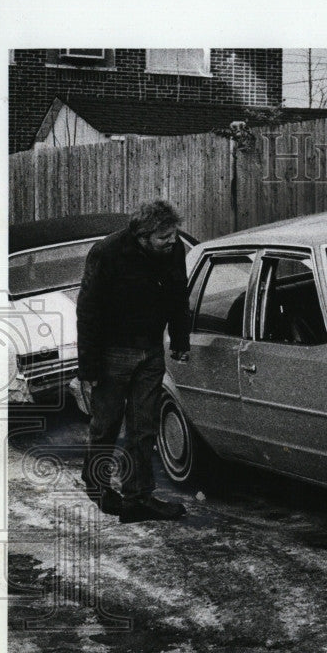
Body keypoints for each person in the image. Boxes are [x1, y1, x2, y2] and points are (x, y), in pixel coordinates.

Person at [76, 200, 190, 522]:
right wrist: (89, 367)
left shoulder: (173, 250)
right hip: (113, 354)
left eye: (173, 234)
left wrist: (180, 339)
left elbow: (179, 295)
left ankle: (139, 497)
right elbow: (88, 310)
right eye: (164, 236)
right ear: (143, 236)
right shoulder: (107, 253)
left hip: (151, 351)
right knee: (106, 425)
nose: (172, 241)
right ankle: (97, 485)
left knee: (144, 427)